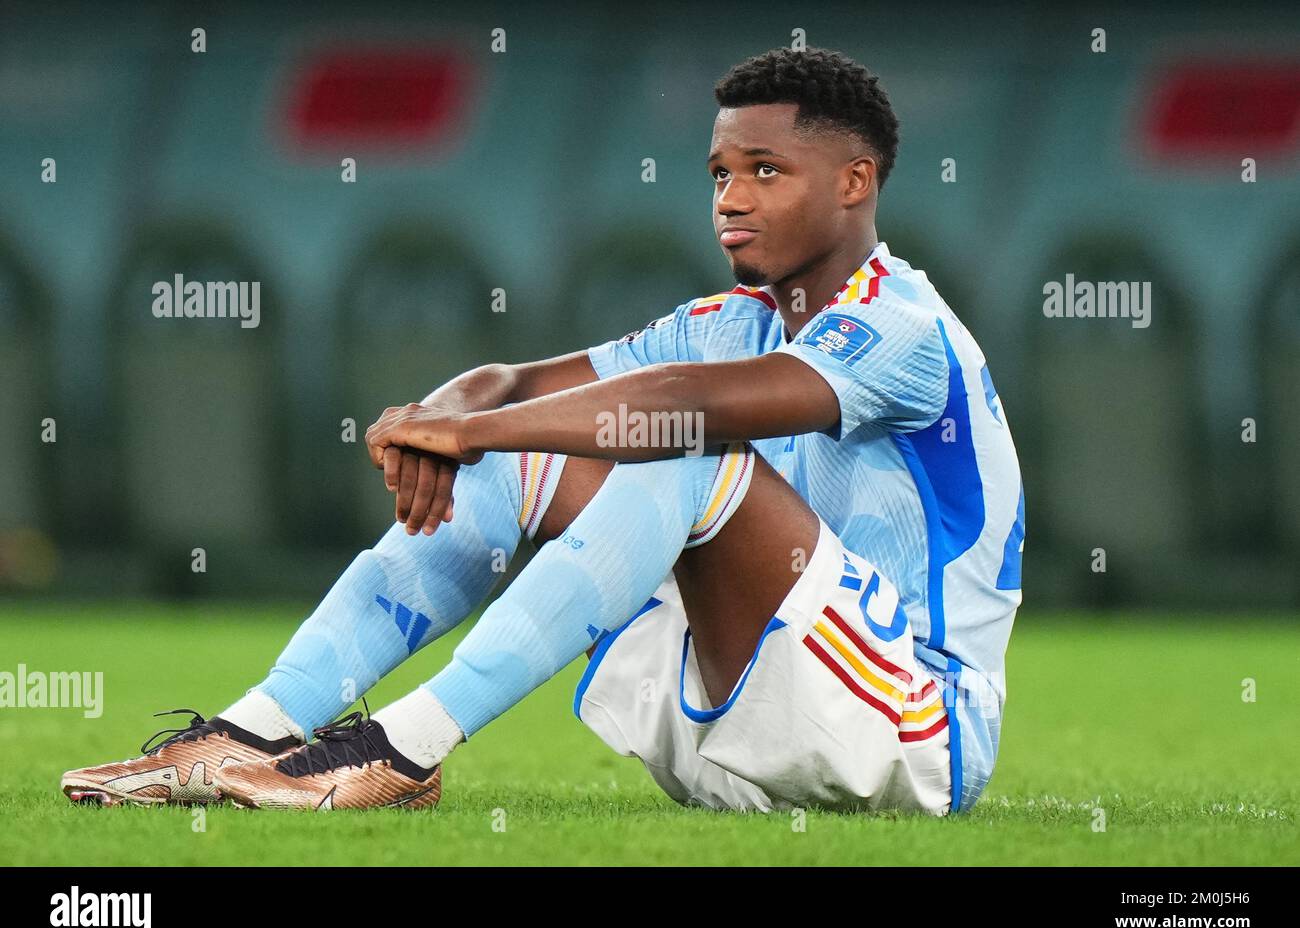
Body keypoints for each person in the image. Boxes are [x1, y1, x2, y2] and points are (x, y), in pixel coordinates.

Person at [62, 47, 1023, 816]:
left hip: (911, 728)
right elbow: (511, 383)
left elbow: (681, 408)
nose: (730, 199)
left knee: (677, 447)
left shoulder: (903, 326)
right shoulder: (738, 314)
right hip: (748, 714)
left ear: (856, 181)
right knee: (528, 447)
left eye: (766, 171)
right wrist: (445, 417)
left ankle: (396, 752)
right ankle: (254, 732)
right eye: (720, 172)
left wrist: (478, 431)